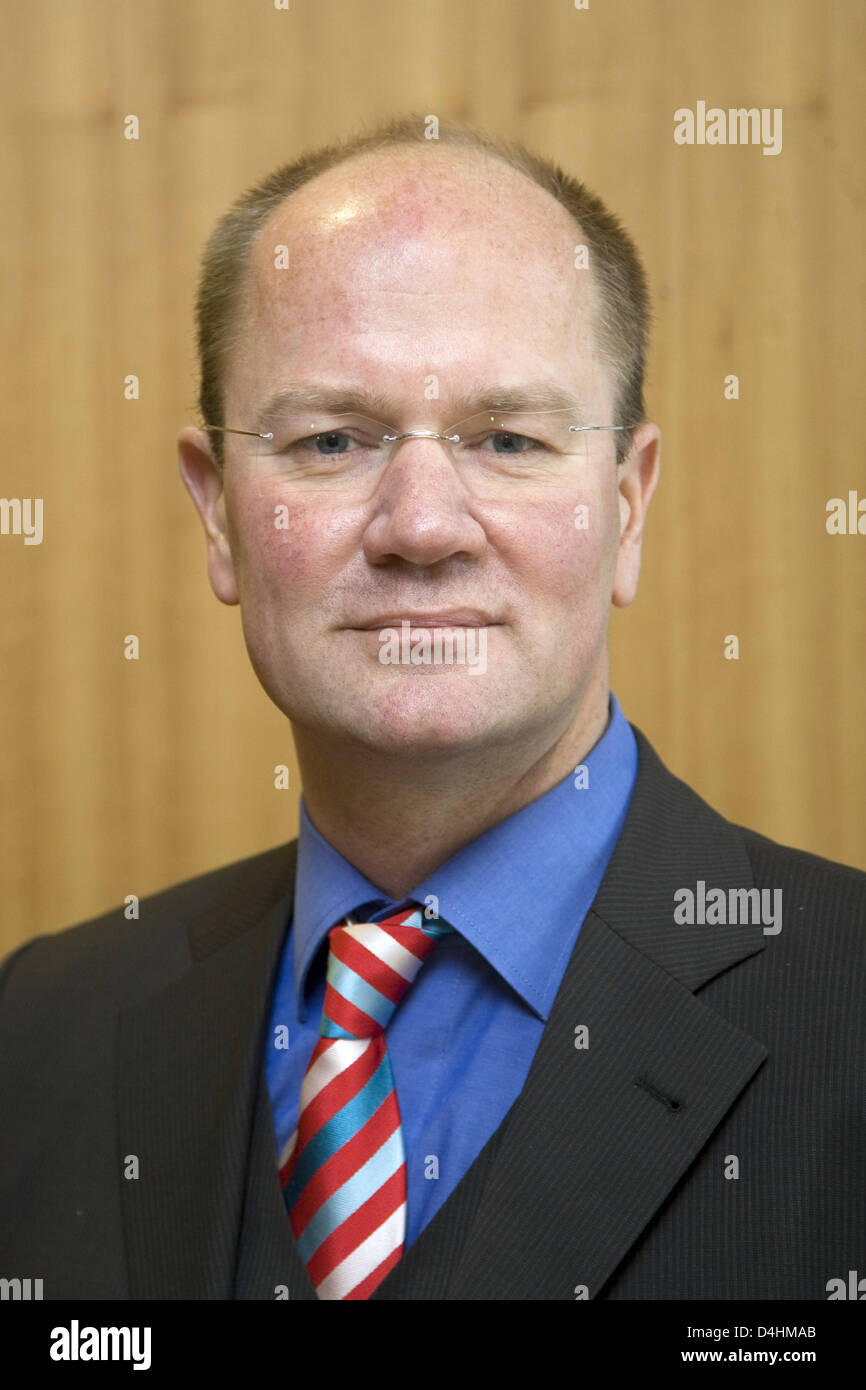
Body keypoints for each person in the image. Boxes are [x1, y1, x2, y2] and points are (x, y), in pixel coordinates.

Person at [1, 114, 863, 1302]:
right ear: (217, 514)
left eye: (506, 438)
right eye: (331, 439)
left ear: (626, 506)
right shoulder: (41, 1031)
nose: (420, 526)